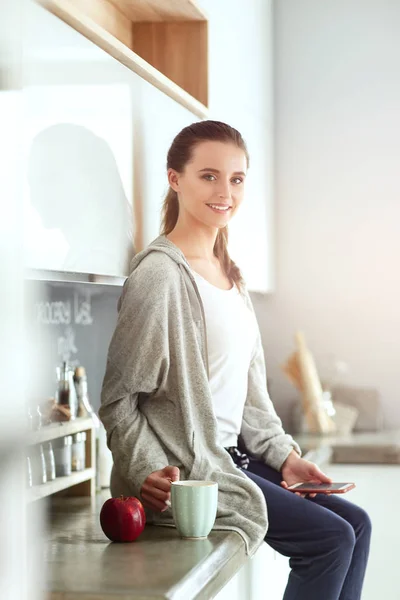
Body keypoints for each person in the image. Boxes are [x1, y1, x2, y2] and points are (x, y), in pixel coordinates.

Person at [99, 120, 371, 600]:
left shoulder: (231, 277)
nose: (225, 191)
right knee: (330, 539)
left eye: (237, 178)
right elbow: (119, 401)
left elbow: (250, 394)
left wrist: (285, 456)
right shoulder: (159, 278)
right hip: (194, 469)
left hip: (237, 457)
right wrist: (146, 469)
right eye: (209, 175)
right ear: (175, 179)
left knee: (358, 524)